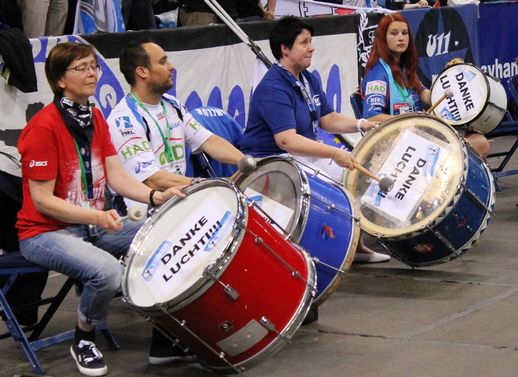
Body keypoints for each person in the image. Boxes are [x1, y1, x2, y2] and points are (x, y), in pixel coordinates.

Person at [16, 42, 184, 377]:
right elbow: (42, 201)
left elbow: (118, 177)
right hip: (45, 232)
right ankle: (83, 337)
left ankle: (166, 339)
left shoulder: (94, 116)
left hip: (93, 226)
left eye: (93, 66)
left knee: (169, 234)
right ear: (60, 80)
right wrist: (95, 216)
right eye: (81, 68)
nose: (92, 73)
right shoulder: (43, 127)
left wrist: (154, 198)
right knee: (108, 272)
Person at [106, 39, 245, 363]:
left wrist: (246, 163)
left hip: (179, 199)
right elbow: (150, 178)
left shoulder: (172, 106)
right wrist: (209, 185)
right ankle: (168, 338)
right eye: (163, 61)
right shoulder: (124, 119)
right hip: (143, 211)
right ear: (142, 72)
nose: (172, 67)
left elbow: (208, 140)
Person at [240, 16, 390, 264]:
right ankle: (341, 247)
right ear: (284, 49)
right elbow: (286, 141)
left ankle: (356, 245)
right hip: (273, 162)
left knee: (357, 175)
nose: (311, 47)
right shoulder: (273, 87)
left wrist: (360, 123)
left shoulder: (307, 78)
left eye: (311, 41)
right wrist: (333, 153)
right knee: (344, 178)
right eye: (304, 42)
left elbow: (327, 118)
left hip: (299, 154)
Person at [361, 13, 490, 159]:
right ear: (383, 39)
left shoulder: (404, 67)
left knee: (479, 141)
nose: (401, 38)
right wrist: (411, 121)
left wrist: (449, 78)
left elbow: (427, 95)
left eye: (404, 33)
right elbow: (372, 117)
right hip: (396, 142)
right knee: (477, 145)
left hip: (416, 132)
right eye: (394, 33)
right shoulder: (377, 74)